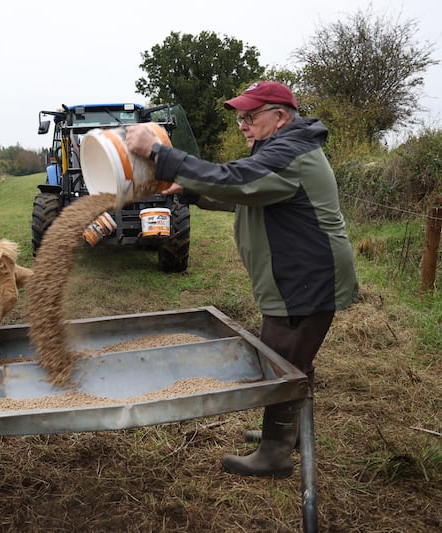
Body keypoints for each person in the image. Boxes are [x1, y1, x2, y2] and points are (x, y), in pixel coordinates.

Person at [125, 81, 359, 478]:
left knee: (282, 364)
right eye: (239, 118)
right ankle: (290, 433)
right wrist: (193, 192)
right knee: (292, 360)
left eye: (250, 117)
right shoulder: (281, 148)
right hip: (298, 276)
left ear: (280, 116)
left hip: (304, 278)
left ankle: (274, 455)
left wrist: (158, 152)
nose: (242, 125)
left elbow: (237, 179)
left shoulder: (290, 151)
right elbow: (245, 193)